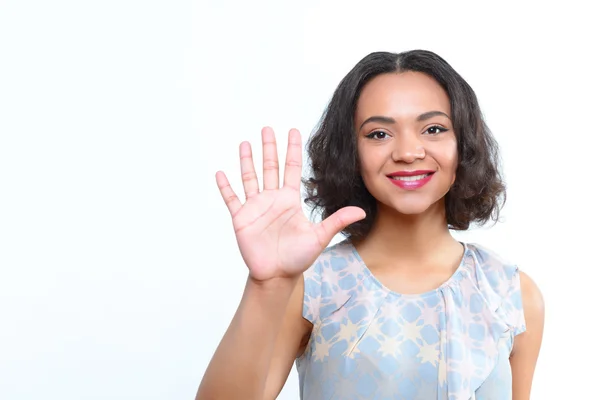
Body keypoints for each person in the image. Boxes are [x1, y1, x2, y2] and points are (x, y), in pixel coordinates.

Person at [196, 50, 545, 400]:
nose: (408, 152)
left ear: (463, 144)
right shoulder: (313, 286)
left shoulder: (511, 294)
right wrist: (266, 285)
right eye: (379, 134)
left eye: (434, 129)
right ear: (351, 152)